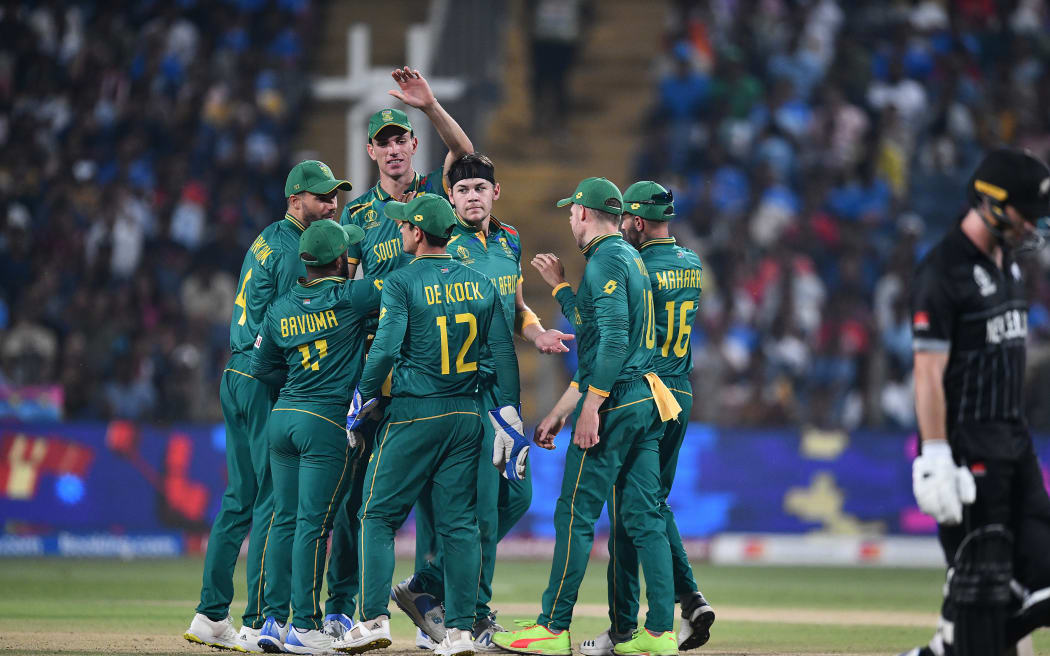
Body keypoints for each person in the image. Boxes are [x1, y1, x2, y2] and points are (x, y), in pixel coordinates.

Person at [389, 153, 574, 651]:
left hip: (503, 389)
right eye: (463, 189)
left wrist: (536, 333)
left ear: (497, 193)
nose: (472, 196)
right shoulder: (444, 244)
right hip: (462, 393)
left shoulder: (510, 240)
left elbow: (515, 309)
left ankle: (428, 586)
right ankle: (473, 615)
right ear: (449, 198)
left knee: (517, 496)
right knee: (480, 513)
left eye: (479, 188)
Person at [492, 178, 682, 656]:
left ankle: (553, 628)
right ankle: (660, 634)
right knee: (645, 516)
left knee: (574, 513)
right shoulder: (629, 259)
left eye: (571, 212)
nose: (568, 219)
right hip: (645, 400)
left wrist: (590, 407)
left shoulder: (606, 261)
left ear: (583, 214)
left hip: (616, 403)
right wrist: (561, 409)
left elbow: (613, 344)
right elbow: (598, 338)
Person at [331, 194, 522, 656]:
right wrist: (509, 414)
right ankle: (458, 633)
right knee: (459, 526)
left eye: (404, 227)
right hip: (465, 413)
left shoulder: (400, 280)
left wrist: (361, 397)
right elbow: (503, 354)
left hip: (417, 411)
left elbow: (386, 348)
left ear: (418, 233)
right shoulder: (481, 283)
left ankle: (373, 619)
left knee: (376, 515)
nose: (399, 232)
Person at [531, 181, 715, 654]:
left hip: (632, 387)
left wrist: (565, 292)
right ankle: (673, 610)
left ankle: (603, 626)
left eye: (574, 213)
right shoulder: (689, 265)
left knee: (609, 512)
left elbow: (605, 335)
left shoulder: (622, 259)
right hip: (674, 392)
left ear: (631, 221)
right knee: (647, 509)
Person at [326, 66, 474, 644]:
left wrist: (431, 105)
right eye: (383, 142)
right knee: (354, 499)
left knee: (435, 509)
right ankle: (343, 609)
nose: (393, 149)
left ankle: (429, 608)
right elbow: (344, 291)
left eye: (401, 139)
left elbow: (466, 157)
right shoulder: (357, 219)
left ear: (414, 145)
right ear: (371, 151)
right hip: (377, 373)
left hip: (427, 375)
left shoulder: (436, 201)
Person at [184, 161, 352, 652]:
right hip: (260, 377)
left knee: (238, 498)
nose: (332, 204)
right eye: (323, 198)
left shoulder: (265, 238)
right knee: (272, 501)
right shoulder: (292, 249)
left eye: (335, 196)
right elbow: (292, 323)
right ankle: (260, 620)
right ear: (295, 200)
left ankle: (212, 614)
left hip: (234, 371)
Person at [905, 147, 1050, 656]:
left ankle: (949, 641)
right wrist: (937, 453)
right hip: (969, 450)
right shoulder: (941, 273)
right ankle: (958, 637)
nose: (1033, 227)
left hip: (1015, 443)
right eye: (1025, 214)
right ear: (990, 203)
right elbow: (927, 373)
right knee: (986, 607)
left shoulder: (1009, 264)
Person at [247, 219, 382, 654]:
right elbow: (403, 285)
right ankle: (304, 625)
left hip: (283, 418)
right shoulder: (352, 295)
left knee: (283, 521)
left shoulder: (282, 307)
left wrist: (298, 377)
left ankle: (271, 620)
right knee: (313, 525)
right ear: (341, 261)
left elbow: (261, 367)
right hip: (323, 422)